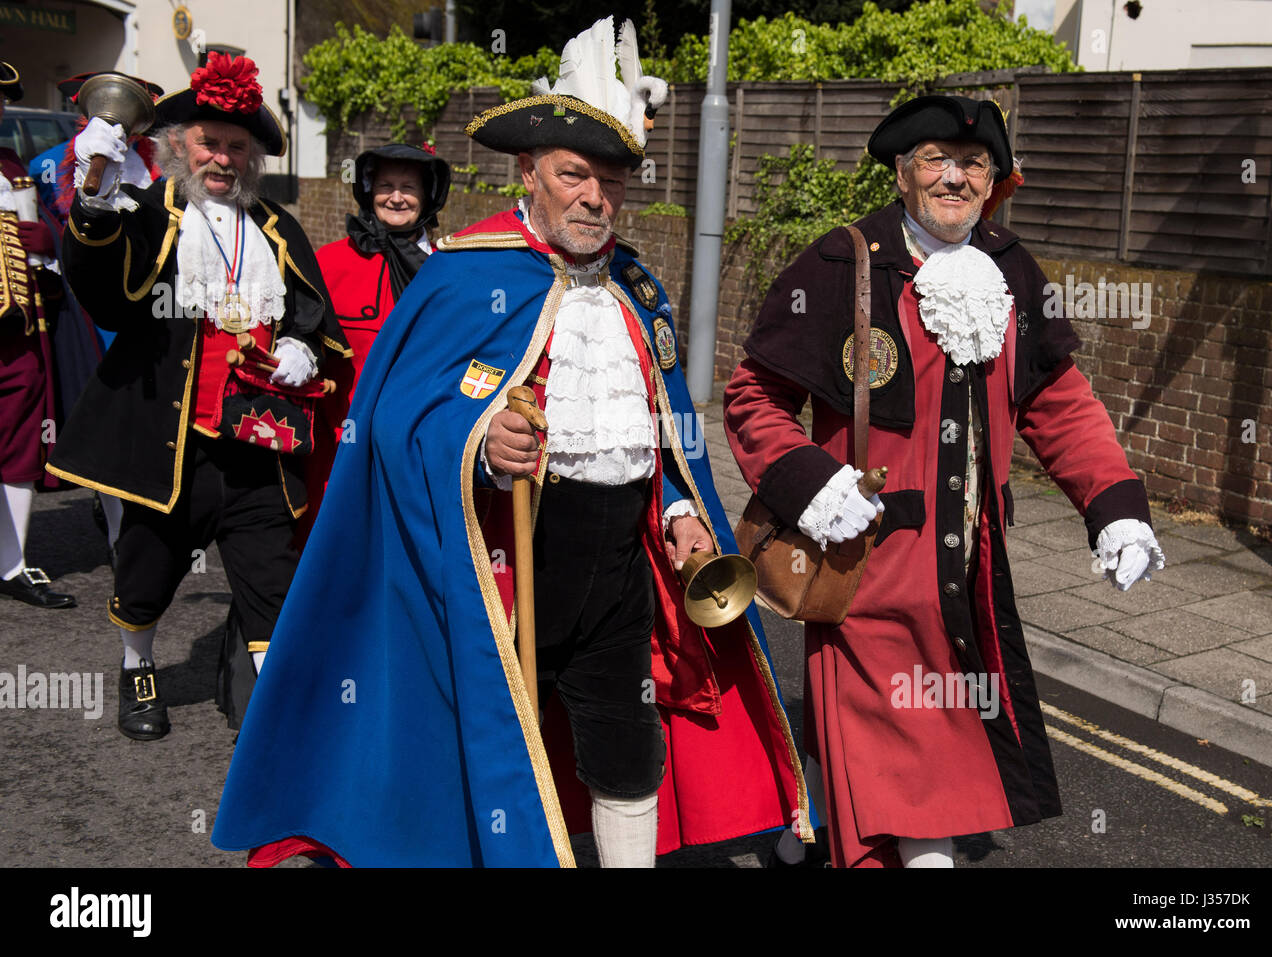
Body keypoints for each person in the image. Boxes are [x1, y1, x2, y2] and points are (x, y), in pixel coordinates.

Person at [212, 18, 809, 868]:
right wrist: (481, 437)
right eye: (574, 175)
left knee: (625, 741)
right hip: (505, 559)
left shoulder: (638, 284)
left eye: (611, 179)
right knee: (489, 747)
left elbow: (667, 421)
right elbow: (390, 420)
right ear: (529, 173)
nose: (594, 196)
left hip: (620, 560)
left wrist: (680, 506)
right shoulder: (466, 272)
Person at [724, 94, 1165, 868]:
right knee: (912, 753)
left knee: (932, 723)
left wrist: (1115, 508)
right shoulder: (840, 262)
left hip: (971, 566)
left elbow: (1058, 402)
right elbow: (754, 394)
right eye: (936, 160)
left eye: (973, 164)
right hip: (867, 562)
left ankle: (814, 800)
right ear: (902, 172)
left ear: (994, 179)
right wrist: (811, 482)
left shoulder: (1012, 268)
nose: (955, 178)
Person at [46, 53, 349, 740]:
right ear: (180, 142)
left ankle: (277, 719)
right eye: (210, 141)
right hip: (168, 445)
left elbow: (312, 310)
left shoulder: (277, 228)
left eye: (238, 147)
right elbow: (103, 290)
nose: (223, 158)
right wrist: (92, 192)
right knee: (147, 573)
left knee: (273, 582)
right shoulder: (150, 214)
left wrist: (303, 346)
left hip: (258, 445)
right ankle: (138, 666)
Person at [28, 72, 165, 568]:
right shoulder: (47, 165)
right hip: (81, 309)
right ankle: (116, 532)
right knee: (101, 415)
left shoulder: (162, 174)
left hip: (146, 306)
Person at [302, 142, 450, 536]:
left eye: (408, 187)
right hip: (340, 438)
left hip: (417, 438)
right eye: (386, 185)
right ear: (369, 191)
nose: (396, 197)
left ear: (428, 195)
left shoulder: (449, 267)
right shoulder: (330, 261)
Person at [0, 61, 75, 610]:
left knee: (23, 439)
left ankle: (11, 563)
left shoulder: (12, 168)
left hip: (16, 328)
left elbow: (41, 246)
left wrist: (42, 255)